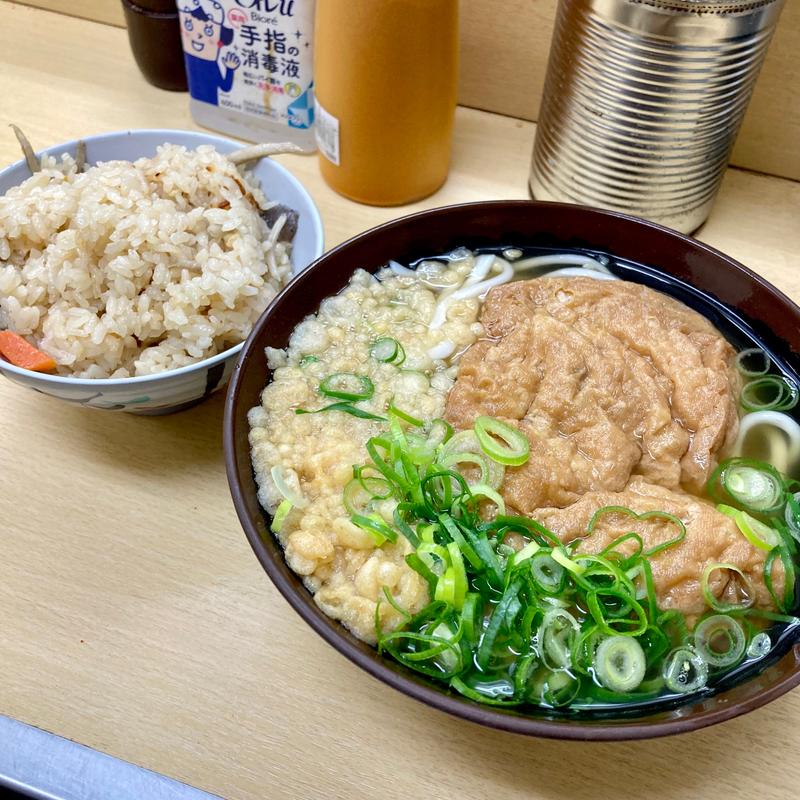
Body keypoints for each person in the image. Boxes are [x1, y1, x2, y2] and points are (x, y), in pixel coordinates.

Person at [178, 0, 240, 106]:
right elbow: (225, 87)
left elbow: (225, 87)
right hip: (207, 108)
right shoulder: (193, 61)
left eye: (209, 31)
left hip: (215, 108)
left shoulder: (212, 66)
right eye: (188, 25)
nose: (198, 36)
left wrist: (229, 69)